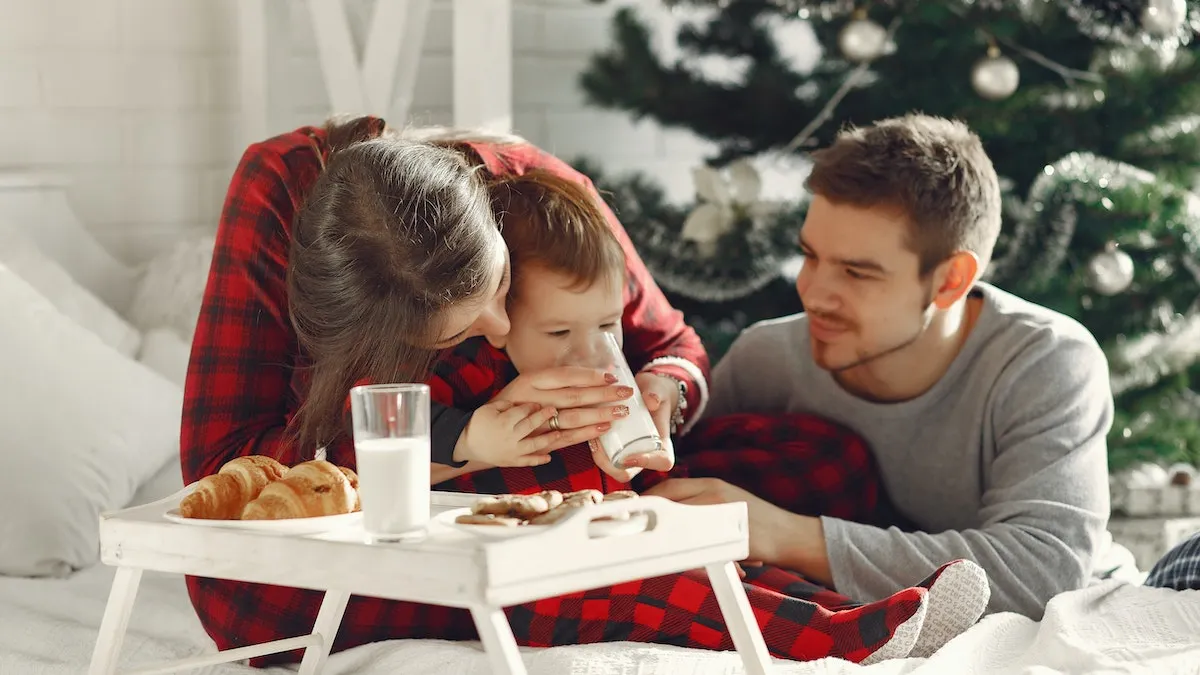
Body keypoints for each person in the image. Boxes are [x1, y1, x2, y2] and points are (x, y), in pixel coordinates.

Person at [179, 116, 936, 667]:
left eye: (501, 284)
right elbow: (222, 472)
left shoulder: (535, 192)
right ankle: (800, 617)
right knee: (251, 603)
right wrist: (465, 441)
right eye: (453, 333)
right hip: (409, 516)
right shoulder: (273, 197)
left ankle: (752, 582)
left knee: (824, 457)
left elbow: (673, 343)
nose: (501, 323)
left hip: (580, 481)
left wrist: (657, 396)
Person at [648, 113, 1115, 620]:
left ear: (950, 281)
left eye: (856, 272)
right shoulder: (768, 357)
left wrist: (784, 533)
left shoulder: (1047, 360)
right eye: (810, 256)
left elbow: (1043, 573)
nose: (813, 292)